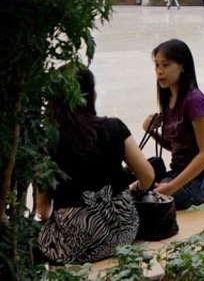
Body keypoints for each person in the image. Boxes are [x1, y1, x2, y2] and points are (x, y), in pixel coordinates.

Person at [36, 66, 154, 265]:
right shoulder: (114, 127)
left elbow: (43, 208)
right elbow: (148, 176)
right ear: (92, 95)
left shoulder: (48, 141)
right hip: (124, 233)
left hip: (75, 247)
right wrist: (134, 191)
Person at [142, 39, 204, 209]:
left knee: (143, 202)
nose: (159, 72)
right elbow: (177, 146)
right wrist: (150, 130)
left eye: (165, 65)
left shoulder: (194, 100)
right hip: (176, 175)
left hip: (197, 183)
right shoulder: (169, 100)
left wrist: (172, 187)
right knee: (134, 190)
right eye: (157, 66)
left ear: (183, 66)